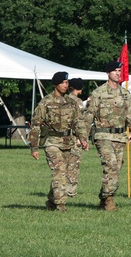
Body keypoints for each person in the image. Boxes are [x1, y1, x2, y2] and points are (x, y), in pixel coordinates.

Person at [82, 59, 131, 211]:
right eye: (115, 71)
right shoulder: (98, 93)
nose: (118, 73)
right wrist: (83, 137)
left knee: (116, 169)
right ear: (108, 73)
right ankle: (109, 200)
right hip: (103, 136)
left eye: (119, 71)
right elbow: (89, 116)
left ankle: (104, 196)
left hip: (120, 137)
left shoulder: (125, 94)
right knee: (111, 166)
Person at [29, 72, 88, 211]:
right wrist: (34, 147)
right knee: (59, 170)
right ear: (56, 84)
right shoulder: (46, 102)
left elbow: (78, 122)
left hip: (68, 142)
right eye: (63, 83)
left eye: (67, 83)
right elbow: (36, 124)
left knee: (63, 174)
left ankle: (51, 201)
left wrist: (83, 139)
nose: (65, 85)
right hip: (52, 142)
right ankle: (61, 204)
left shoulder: (71, 102)